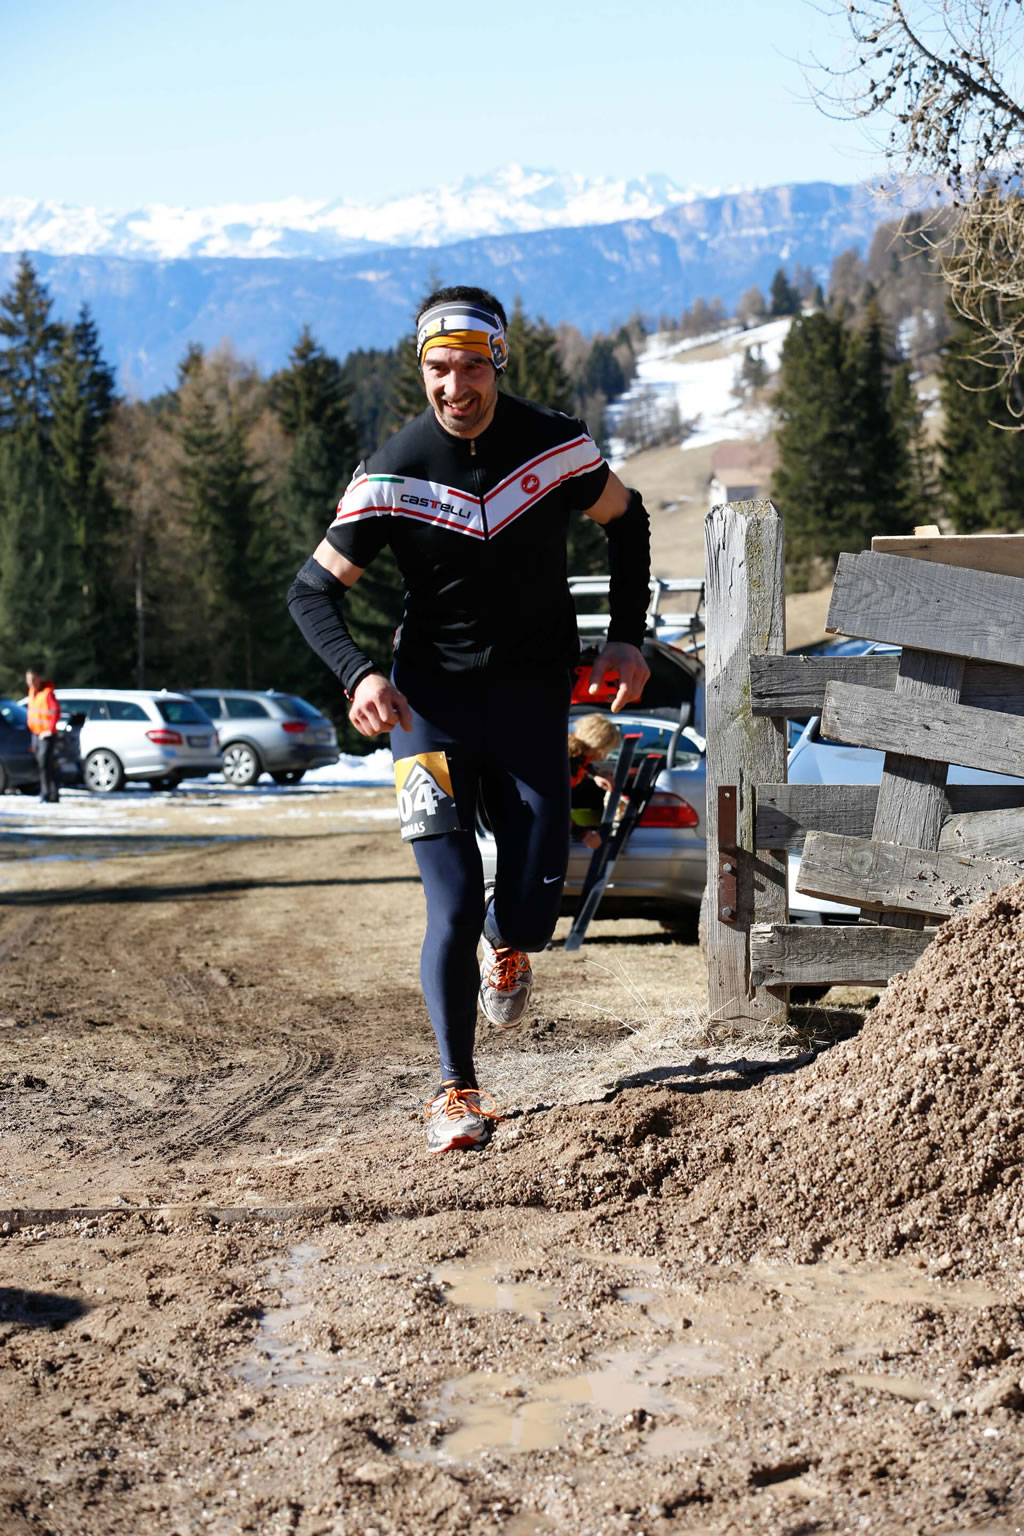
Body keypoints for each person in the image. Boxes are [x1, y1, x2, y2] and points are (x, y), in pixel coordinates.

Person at [288, 284, 651, 1154]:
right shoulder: (390, 472)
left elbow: (628, 519)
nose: (456, 387)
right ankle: (455, 1089)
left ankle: (508, 938)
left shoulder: (557, 446)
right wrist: (359, 675)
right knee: (448, 904)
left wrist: (626, 638)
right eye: (439, 369)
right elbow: (311, 592)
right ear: (422, 370)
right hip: (428, 713)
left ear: (499, 362)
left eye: (472, 368)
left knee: (531, 907)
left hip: (529, 703)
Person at [568, 714, 622, 850]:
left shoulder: (575, 753)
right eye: (608, 749)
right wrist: (581, 834)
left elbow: (584, 763)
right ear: (598, 746)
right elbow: (552, 807)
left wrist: (596, 775)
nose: (607, 755)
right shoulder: (569, 765)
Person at [25, 667, 61, 804]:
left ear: (39, 678)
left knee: (45, 764)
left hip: (46, 736)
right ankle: (51, 793)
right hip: (35, 734)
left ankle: (47, 794)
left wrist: (50, 730)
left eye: (33, 679)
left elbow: (56, 711)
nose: (30, 682)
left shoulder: (47, 694)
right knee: (43, 765)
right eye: (28, 679)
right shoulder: (31, 692)